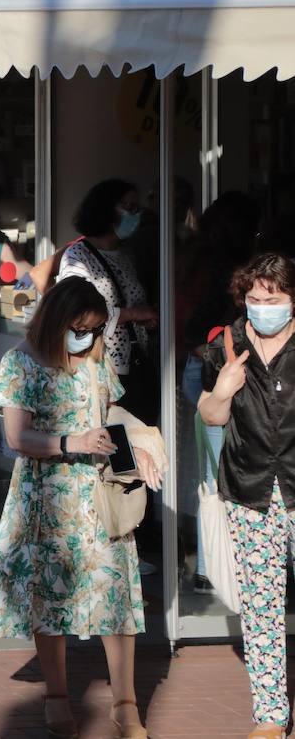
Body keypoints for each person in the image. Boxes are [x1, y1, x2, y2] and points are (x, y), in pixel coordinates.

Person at [0, 276, 161, 739]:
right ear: (57, 320)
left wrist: (141, 440)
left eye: (96, 329)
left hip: (100, 494)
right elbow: (17, 437)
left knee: (115, 596)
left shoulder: (96, 361)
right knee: (48, 598)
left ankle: (126, 703)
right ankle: (57, 698)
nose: (89, 338)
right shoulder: (21, 362)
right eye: (81, 327)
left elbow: (112, 410)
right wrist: (71, 441)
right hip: (45, 494)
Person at [199, 254, 295, 739]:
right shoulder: (227, 343)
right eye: (255, 300)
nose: (263, 308)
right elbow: (211, 416)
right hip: (250, 489)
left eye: (274, 300)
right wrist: (222, 388)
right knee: (261, 607)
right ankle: (270, 715)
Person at [177, 192, 258, 593]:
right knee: (223, 462)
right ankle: (218, 564)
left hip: (203, 364)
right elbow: (200, 320)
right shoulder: (227, 266)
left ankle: (211, 566)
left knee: (215, 464)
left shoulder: (196, 258)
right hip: (220, 365)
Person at [58, 179, 160, 424]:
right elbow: (77, 313)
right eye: (126, 205)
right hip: (100, 363)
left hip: (136, 362)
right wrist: (134, 314)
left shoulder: (126, 255)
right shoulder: (78, 255)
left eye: (137, 207)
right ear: (104, 208)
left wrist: (146, 319)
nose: (134, 213)